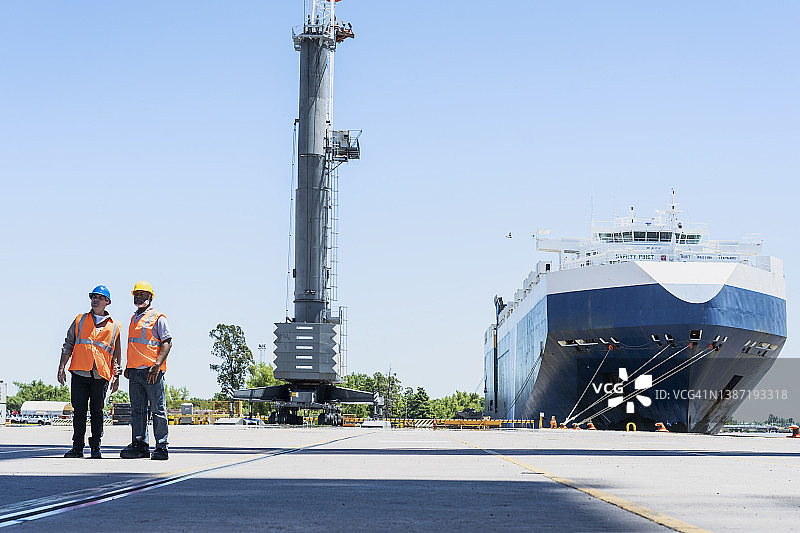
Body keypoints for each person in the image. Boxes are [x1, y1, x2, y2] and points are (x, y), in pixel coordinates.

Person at [58, 285, 121, 459]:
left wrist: (116, 377)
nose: (96, 299)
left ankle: (96, 448)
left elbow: (116, 354)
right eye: (94, 296)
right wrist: (61, 367)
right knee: (78, 412)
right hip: (79, 372)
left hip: (101, 375)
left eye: (100, 297)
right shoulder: (79, 320)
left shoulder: (115, 326)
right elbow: (68, 344)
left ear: (107, 302)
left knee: (97, 412)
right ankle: (77, 448)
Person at [120, 281, 173, 460]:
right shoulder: (134, 318)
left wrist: (157, 365)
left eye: (143, 294)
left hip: (152, 372)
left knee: (158, 410)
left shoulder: (158, 317)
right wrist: (129, 367)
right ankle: (140, 445)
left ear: (151, 297)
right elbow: (134, 345)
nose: (139, 297)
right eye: (137, 294)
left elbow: (167, 342)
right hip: (135, 372)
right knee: (137, 411)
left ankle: (161, 446)